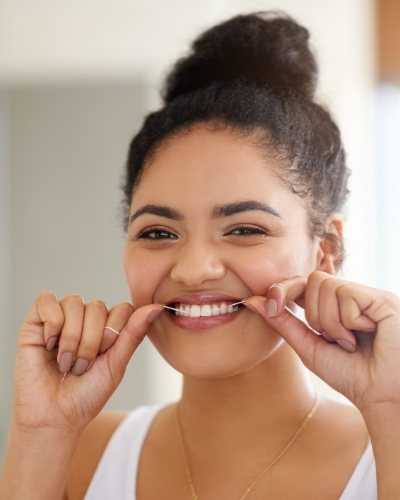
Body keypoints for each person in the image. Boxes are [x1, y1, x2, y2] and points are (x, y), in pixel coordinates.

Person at [1, 11, 399, 500]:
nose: (193, 269)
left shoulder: (385, 455)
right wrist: (38, 433)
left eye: (245, 229)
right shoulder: (82, 456)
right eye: (159, 232)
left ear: (327, 251)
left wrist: (392, 407)